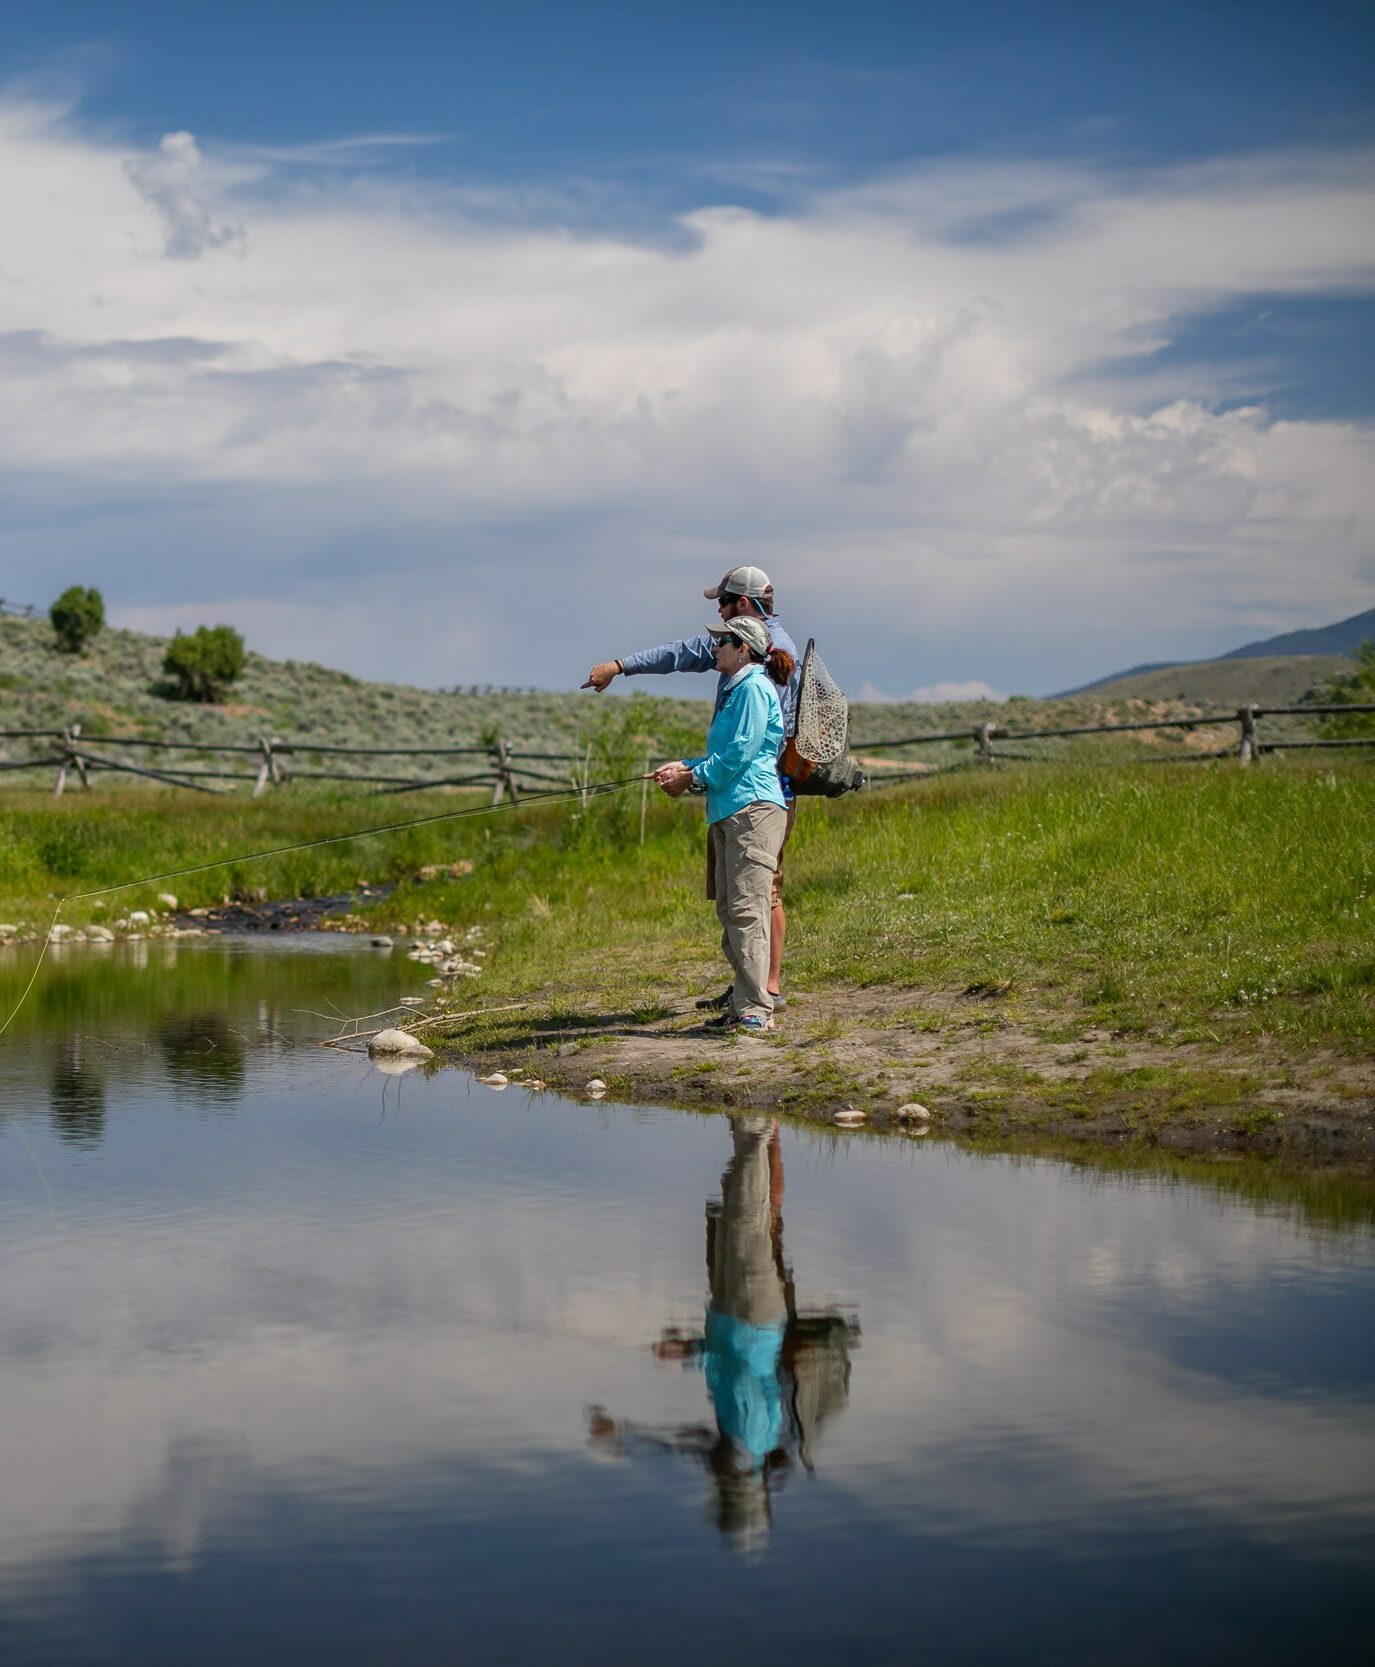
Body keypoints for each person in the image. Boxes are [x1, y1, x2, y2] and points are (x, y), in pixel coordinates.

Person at [582, 566, 799, 1009]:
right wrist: (621, 667)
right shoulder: (738, 647)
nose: (716, 621)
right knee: (735, 900)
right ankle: (748, 990)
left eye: (722, 604)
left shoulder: (761, 663)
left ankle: (764, 995)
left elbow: (746, 749)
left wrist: (692, 777)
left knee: (758, 894)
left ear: (743, 607)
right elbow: (680, 653)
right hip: (731, 794)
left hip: (759, 794)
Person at [652, 616, 792, 1032]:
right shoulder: (736, 690)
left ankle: (754, 1011)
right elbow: (727, 754)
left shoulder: (751, 687)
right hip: (730, 809)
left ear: (743, 648)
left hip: (753, 810)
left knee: (748, 910)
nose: (715, 648)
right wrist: (684, 766)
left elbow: (741, 755)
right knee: (731, 909)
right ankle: (743, 1004)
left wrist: (691, 778)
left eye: (723, 641)